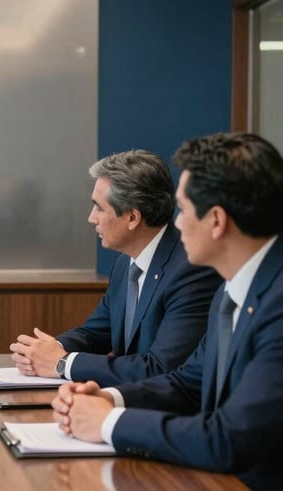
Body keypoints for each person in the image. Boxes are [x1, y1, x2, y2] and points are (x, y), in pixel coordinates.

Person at [52, 132, 283, 488]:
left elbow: (229, 438)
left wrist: (108, 422)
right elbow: (188, 383)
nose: (175, 223)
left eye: (184, 210)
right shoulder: (232, 288)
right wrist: (108, 398)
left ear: (216, 220)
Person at [10, 150, 221, 386]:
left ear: (132, 218)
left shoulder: (191, 270)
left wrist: (62, 363)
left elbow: (161, 368)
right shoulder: (125, 262)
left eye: (99, 208)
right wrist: (47, 350)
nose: (91, 218)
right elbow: (96, 332)